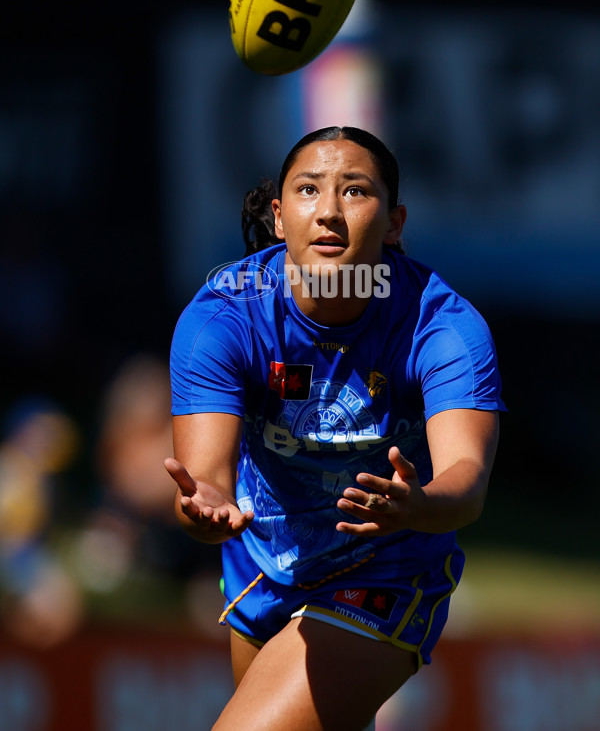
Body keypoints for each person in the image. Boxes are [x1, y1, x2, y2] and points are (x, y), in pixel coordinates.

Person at [165, 126, 505, 731]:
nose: (328, 211)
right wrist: (206, 508)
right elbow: (206, 480)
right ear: (278, 216)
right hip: (265, 561)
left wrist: (417, 504)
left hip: (388, 565)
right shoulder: (223, 315)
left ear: (395, 223)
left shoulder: (443, 325)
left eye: (354, 191)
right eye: (307, 190)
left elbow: (468, 483)